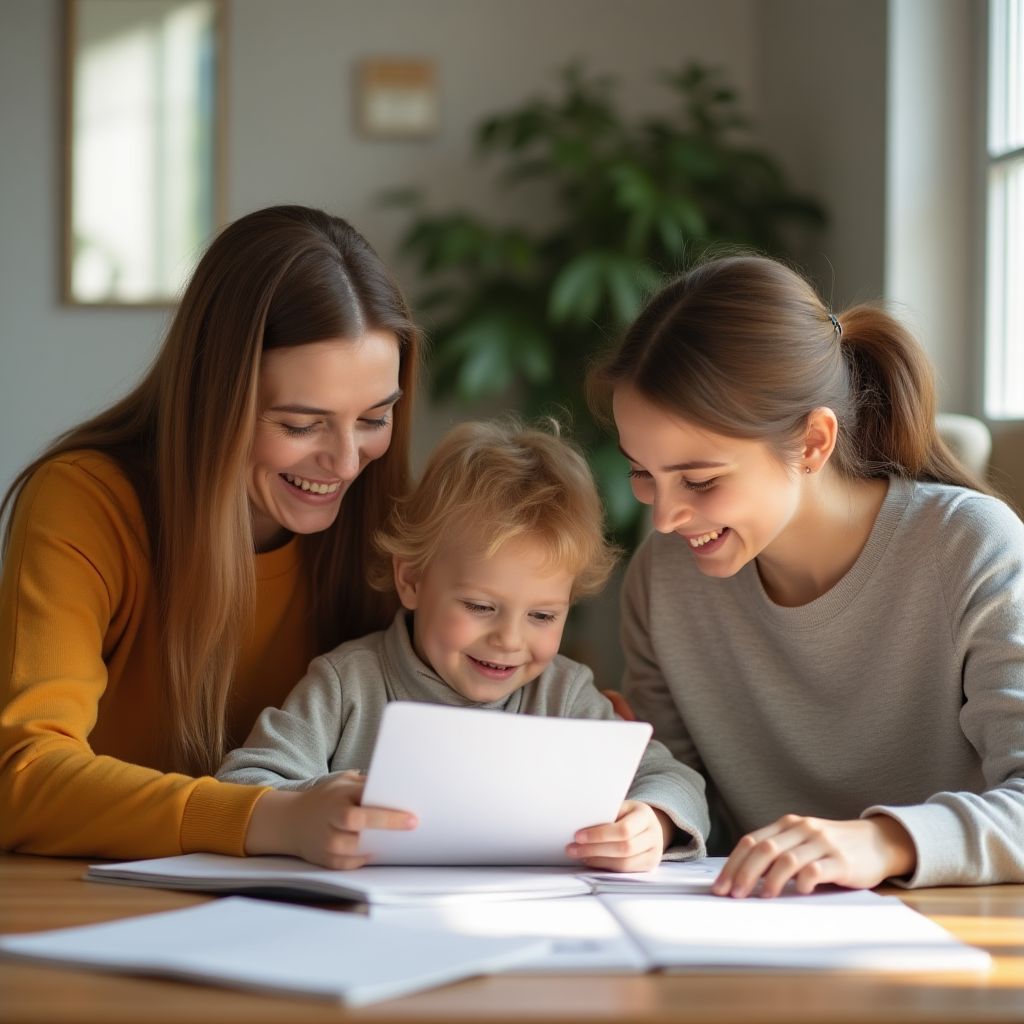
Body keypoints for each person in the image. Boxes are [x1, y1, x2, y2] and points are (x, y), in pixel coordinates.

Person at [586, 253, 1024, 897]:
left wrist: (882, 842)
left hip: (955, 927)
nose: (666, 517)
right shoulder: (664, 577)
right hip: (750, 920)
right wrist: (652, 816)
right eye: (642, 472)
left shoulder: (971, 546)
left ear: (813, 442)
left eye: (700, 480)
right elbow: (682, 790)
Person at [0, 205, 423, 860]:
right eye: (300, 424)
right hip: (96, 895)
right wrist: (273, 819)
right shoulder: (85, 502)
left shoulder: (388, 522)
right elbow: (22, 777)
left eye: (373, 418)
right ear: (214, 399)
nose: (345, 463)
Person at [218, 419, 709, 870]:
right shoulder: (348, 684)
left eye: (542, 616)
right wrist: (311, 808)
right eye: (479, 606)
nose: (509, 640)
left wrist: (653, 822)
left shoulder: (564, 694)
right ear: (411, 581)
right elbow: (239, 785)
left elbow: (676, 781)